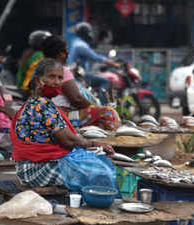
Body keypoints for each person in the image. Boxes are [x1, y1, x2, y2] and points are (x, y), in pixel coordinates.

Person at [10, 58, 117, 188]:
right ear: (38, 80)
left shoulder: (37, 102)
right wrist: (95, 144)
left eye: (60, 78)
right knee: (100, 173)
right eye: (52, 77)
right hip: (35, 170)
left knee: (94, 162)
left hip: (31, 166)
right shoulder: (42, 104)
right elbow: (68, 140)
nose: (57, 82)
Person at [42, 35, 121, 130]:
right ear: (61, 53)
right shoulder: (61, 70)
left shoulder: (41, 69)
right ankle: (116, 141)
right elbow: (77, 99)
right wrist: (96, 108)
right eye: (66, 50)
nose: (68, 53)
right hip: (62, 116)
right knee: (108, 112)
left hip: (49, 113)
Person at [67, 22, 120, 104]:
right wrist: (114, 64)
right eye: (89, 32)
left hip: (78, 73)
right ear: (85, 33)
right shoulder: (81, 45)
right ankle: (103, 105)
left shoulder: (76, 43)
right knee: (105, 81)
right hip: (80, 76)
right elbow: (95, 57)